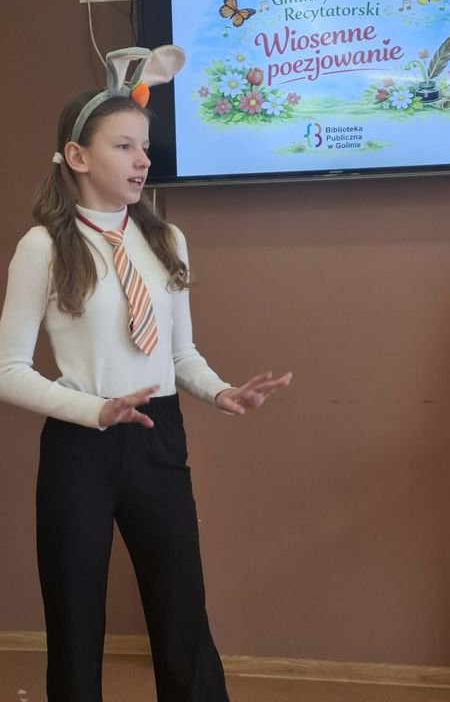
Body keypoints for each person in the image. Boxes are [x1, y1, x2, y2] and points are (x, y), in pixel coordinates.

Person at [0, 45, 292, 702]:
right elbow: (7, 370)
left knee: (181, 612)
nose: (143, 160)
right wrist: (95, 411)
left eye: (145, 148)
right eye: (125, 146)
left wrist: (221, 391)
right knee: (75, 619)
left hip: (158, 437)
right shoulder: (42, 247)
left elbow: (180, 354)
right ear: (77, 157)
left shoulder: (167, 240)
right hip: (80, 444)